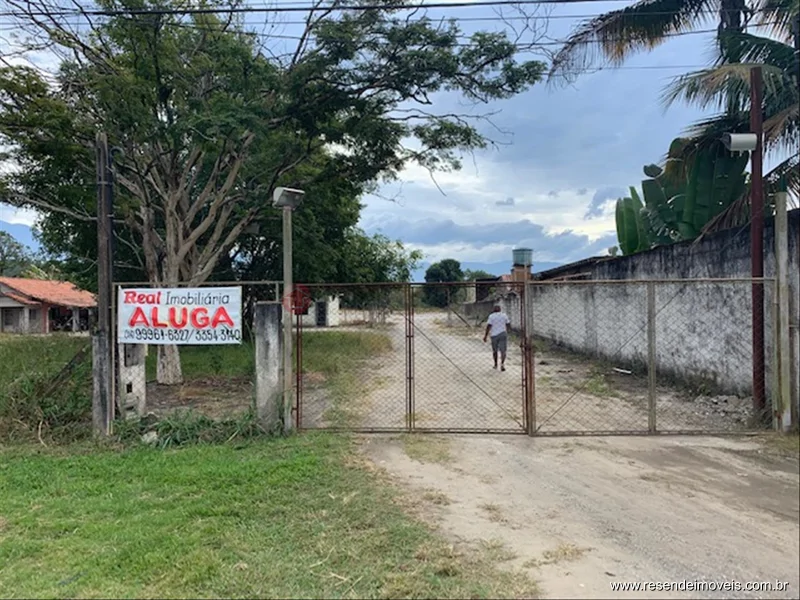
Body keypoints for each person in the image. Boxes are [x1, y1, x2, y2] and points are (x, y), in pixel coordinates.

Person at [483, 305, 510, 371]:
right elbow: (508, 324)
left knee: (495, 351)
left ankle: (495, 364)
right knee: (503, 350)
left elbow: (489, 326)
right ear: (500, 309)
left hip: (494, 335)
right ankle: (502, 364)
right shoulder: (504, 315)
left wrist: (485, 336)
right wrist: (507, 331)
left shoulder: (491, 316)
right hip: (503, 334)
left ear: (493, 310)